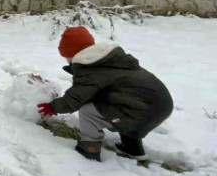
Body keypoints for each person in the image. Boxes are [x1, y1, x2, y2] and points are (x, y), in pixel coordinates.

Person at [37, 27, 173, 162]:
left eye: (66, 56)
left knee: (89, 112)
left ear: (71, 54)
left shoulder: (89, 68)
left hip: (142, 109)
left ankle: (89, 149)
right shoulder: (107, 59)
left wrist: (53, 107)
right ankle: (133, 149)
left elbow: (76, 98)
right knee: (117, 107)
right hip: (161, 105)